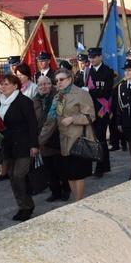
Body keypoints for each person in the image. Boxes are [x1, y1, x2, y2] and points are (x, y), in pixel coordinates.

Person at [39, 67, 96, 201]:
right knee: (69, 174)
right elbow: (50, 122)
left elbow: (91, 116)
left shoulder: (81, 93)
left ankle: (78, 200)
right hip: (64, 141)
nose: (59, 82)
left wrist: (73, 119)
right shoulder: (58, 97)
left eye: (62, 79)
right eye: (57, 80)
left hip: (78, 139)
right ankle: (76, 200)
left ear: (70, 79)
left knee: (77, 174)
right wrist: (39, 141)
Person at [0, 73, 40, 221]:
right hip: (9, 145)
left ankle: (28, 205)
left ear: (15, 86)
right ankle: (21, 206)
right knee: (11, 177)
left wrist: (34, 145)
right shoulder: (2, 101)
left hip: (23, 144)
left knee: (19, 175)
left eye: (7, 84)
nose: (3, 87)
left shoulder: (23, 101)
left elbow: (32, 124)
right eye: (2, 84)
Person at [35, 76, 70, 202]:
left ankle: (66, 189)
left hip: (56, 137)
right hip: (43, 139)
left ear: (51, 85)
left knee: (60, 167)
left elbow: (58, 117)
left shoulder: (58, 97)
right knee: (48, 169)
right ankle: (55, 191)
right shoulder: (35, 100)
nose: (43, 87)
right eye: (40, 85)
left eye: (46, 84)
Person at [84, 47, 114, 178]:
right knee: (93, 138)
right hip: (90, 109)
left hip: (102, 110)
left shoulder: (107, 71)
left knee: (100, 138)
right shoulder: (88, 72)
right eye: (90, 57)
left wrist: (89, 91)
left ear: (100, 57)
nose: (92, 59)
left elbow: (107, 91)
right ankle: (105, 164)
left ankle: (100, 167)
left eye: (94, 57)